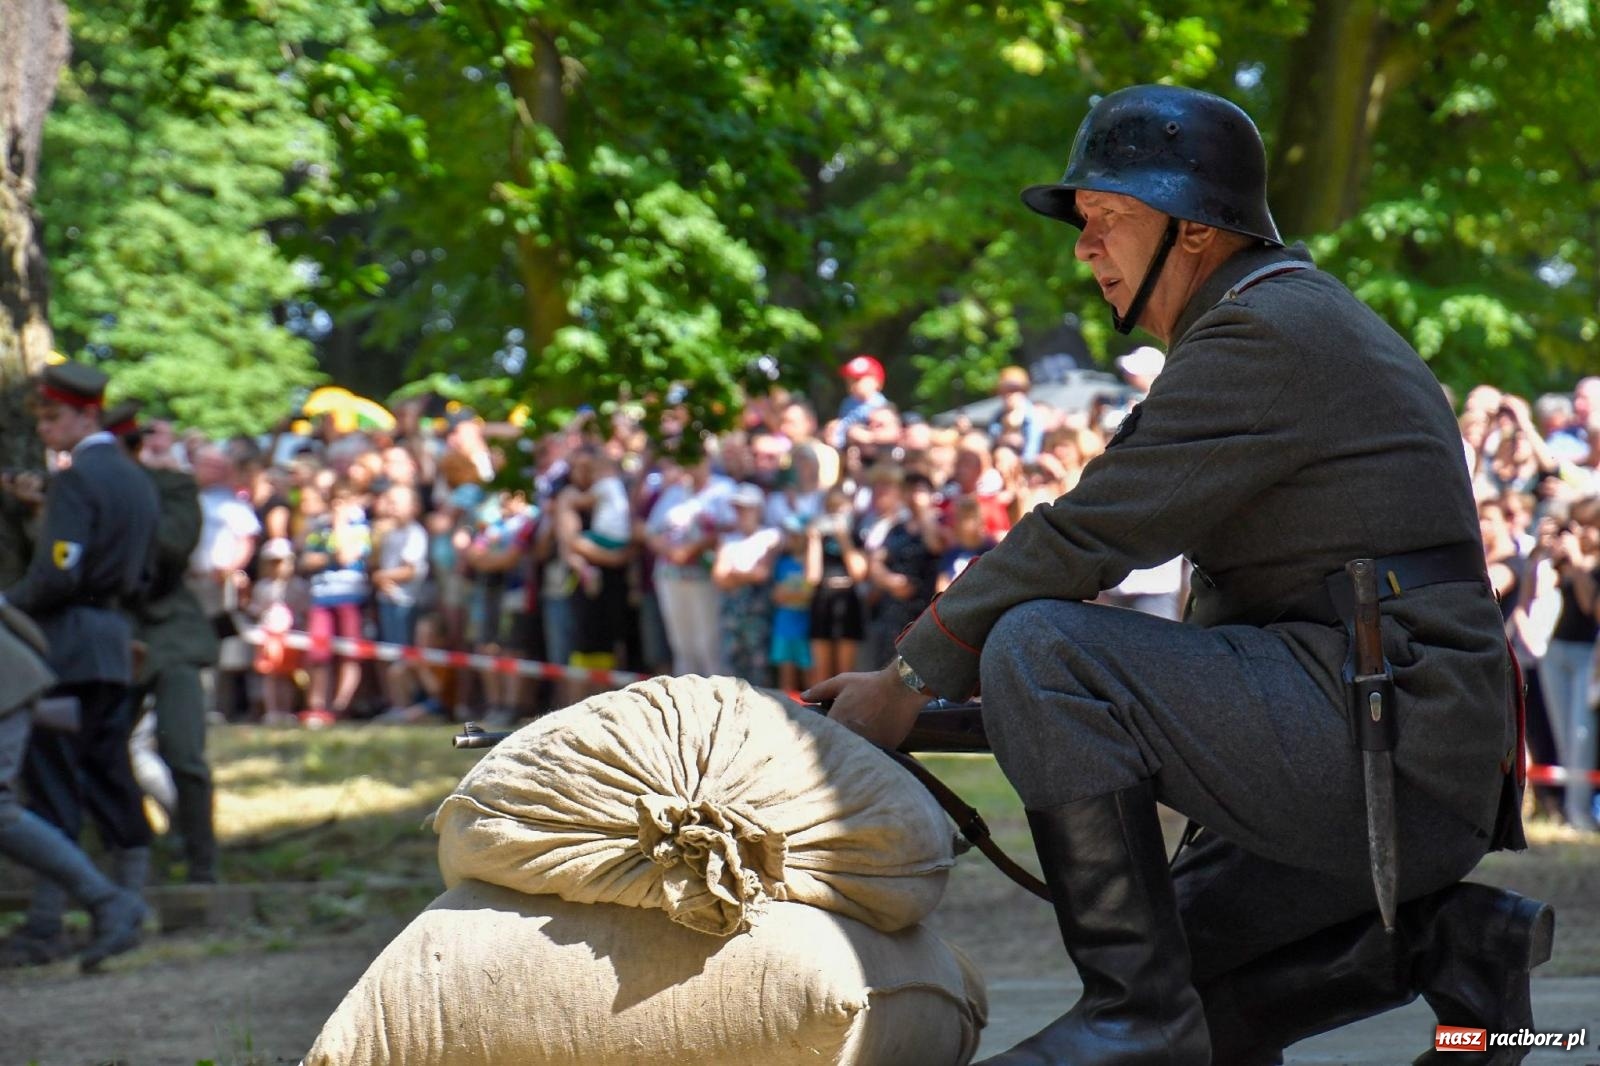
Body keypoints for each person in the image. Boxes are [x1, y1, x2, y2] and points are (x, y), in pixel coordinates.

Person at [806, 85, 1543, 1065]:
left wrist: (908, 680)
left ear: (1195, 231)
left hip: (1390, 744)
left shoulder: (1263, 331)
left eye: (1109, 218)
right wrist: (937, 714)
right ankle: (1450, 946)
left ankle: (1131, 1017)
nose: (1082, 247)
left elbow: (1083, 535)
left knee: (1040, 641)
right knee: (1195, 991)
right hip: (1393, 738)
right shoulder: (1262, 321)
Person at [0, 362, 156, 969]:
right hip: (114, 641)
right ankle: (118, 903)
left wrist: (8, 604)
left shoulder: (78, 477)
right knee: (104, 772)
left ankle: (54, 923)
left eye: (54, 416)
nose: (45, 429)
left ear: (87, 414)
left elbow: (60, 572)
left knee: (51, 781)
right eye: (41, 417)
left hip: (66, 645)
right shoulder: (135, 477)